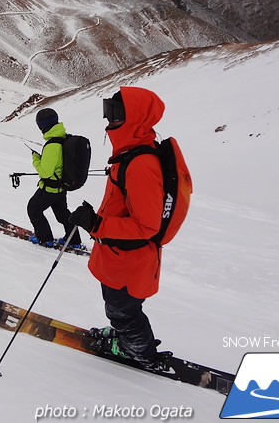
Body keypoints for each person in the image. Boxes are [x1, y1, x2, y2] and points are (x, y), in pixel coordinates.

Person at [68, 87, 171, 370]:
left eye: (115, 113)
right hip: (119, 255)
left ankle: (139, 351)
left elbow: (147, 225)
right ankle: (128, 339)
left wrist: (96, 223)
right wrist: (96, 220)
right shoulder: (129, 155)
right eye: (107, 110)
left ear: (135, 118)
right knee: (119, 307)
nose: (108, 120)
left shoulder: (141, 165)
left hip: (130, 260)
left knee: (123, 311)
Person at [27, 108, 83, 248]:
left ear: (43, 126)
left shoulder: (52, 145)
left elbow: (45, 173)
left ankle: (45, 239)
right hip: (61, 187)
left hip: (50, 188)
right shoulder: (64, 137)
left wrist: (36, 159)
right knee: (63, 214)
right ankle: (74, 240)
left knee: (33, 209)